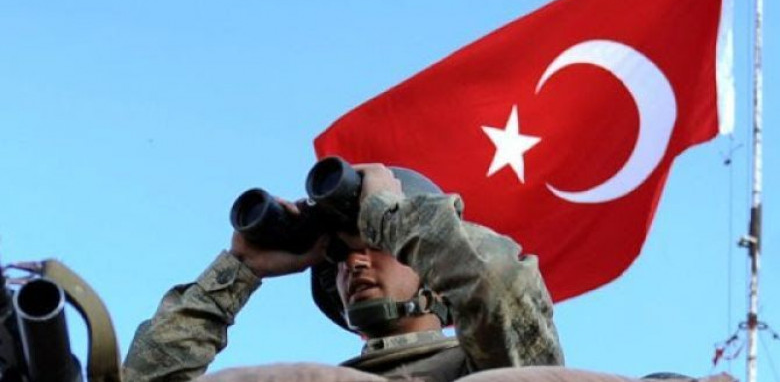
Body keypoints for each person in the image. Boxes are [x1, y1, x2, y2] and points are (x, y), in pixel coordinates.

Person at [123, 163, 564, 382]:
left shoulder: (489, 366)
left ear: (433, 274)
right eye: (338, 257)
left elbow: (502, 283)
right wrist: (239, 271)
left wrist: (391, 217)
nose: (354, 263)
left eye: (377, 247)